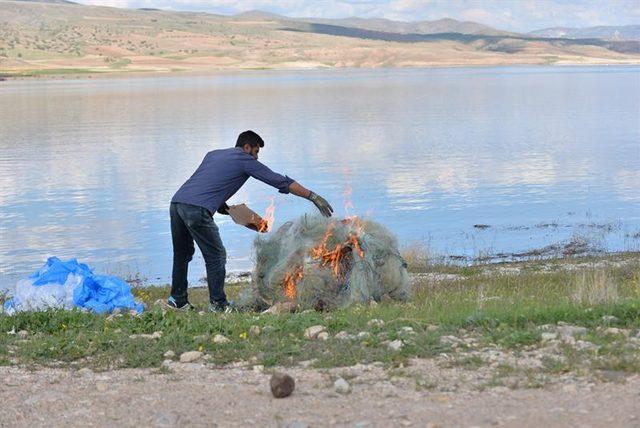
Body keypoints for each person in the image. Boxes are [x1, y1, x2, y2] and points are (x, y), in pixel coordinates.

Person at [168, 130, 333, 312]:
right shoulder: (244, 160)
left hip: (177, 203)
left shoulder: (213, 155)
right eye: (255, 152)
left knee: (182, 254)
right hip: (196, 210)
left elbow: (206, 183)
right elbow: (279, 181)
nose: (255, 158)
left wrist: (225, 207)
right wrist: (313, 196)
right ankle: (219, 305)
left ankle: (177, 300)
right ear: (246, 147)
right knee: (216, 255)